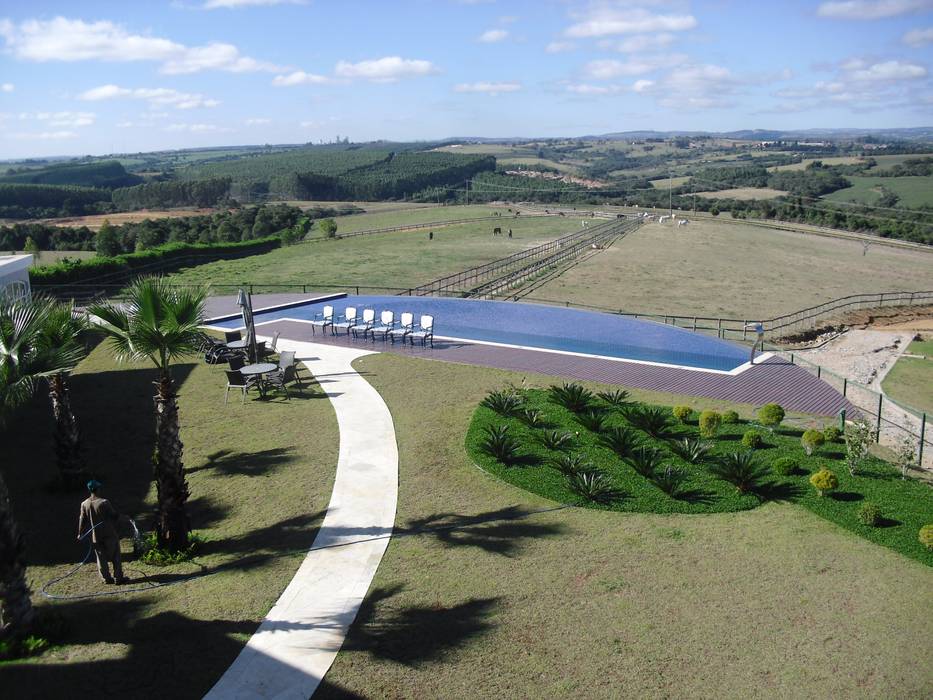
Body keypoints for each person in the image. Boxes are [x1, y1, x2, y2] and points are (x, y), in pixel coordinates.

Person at [77, 480, 128, 584]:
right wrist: (124, 518)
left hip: (96, 536)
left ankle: (106, 579)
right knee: (115, 555)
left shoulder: (84, 504)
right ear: (98, 489)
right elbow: (114, 516)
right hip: (109, 534)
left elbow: (82, 519)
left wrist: (80, 533)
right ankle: (118, 578)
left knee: (101, 558)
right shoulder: (104, 502)